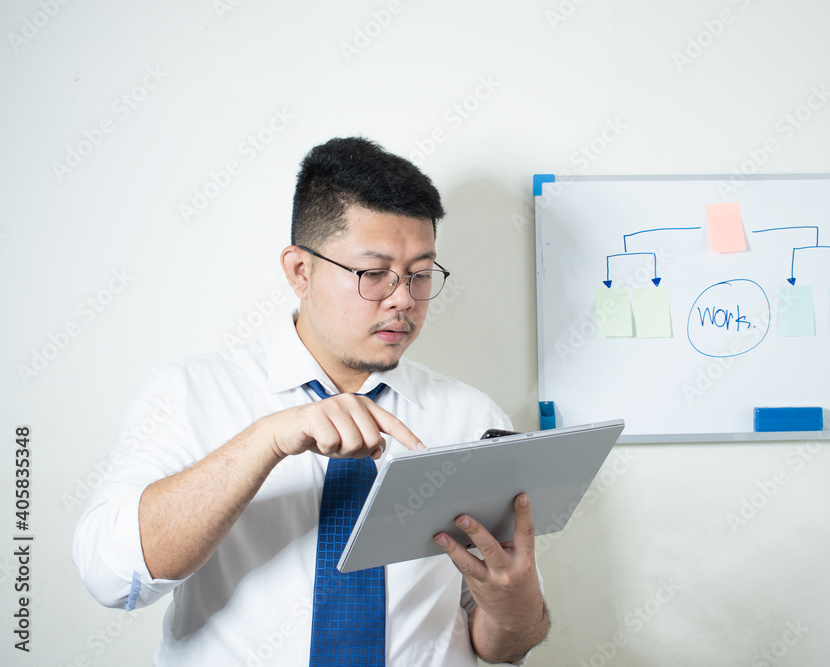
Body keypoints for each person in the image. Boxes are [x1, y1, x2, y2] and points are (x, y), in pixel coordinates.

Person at [73, 137, 549, 666]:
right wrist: (268, 439)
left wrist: (514, 606)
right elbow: (111, 578)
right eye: (374, 274)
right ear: (300, 271)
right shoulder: (190, 394)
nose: (403, 299)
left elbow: (502, 643)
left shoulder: (473, 418)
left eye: (419, 274)